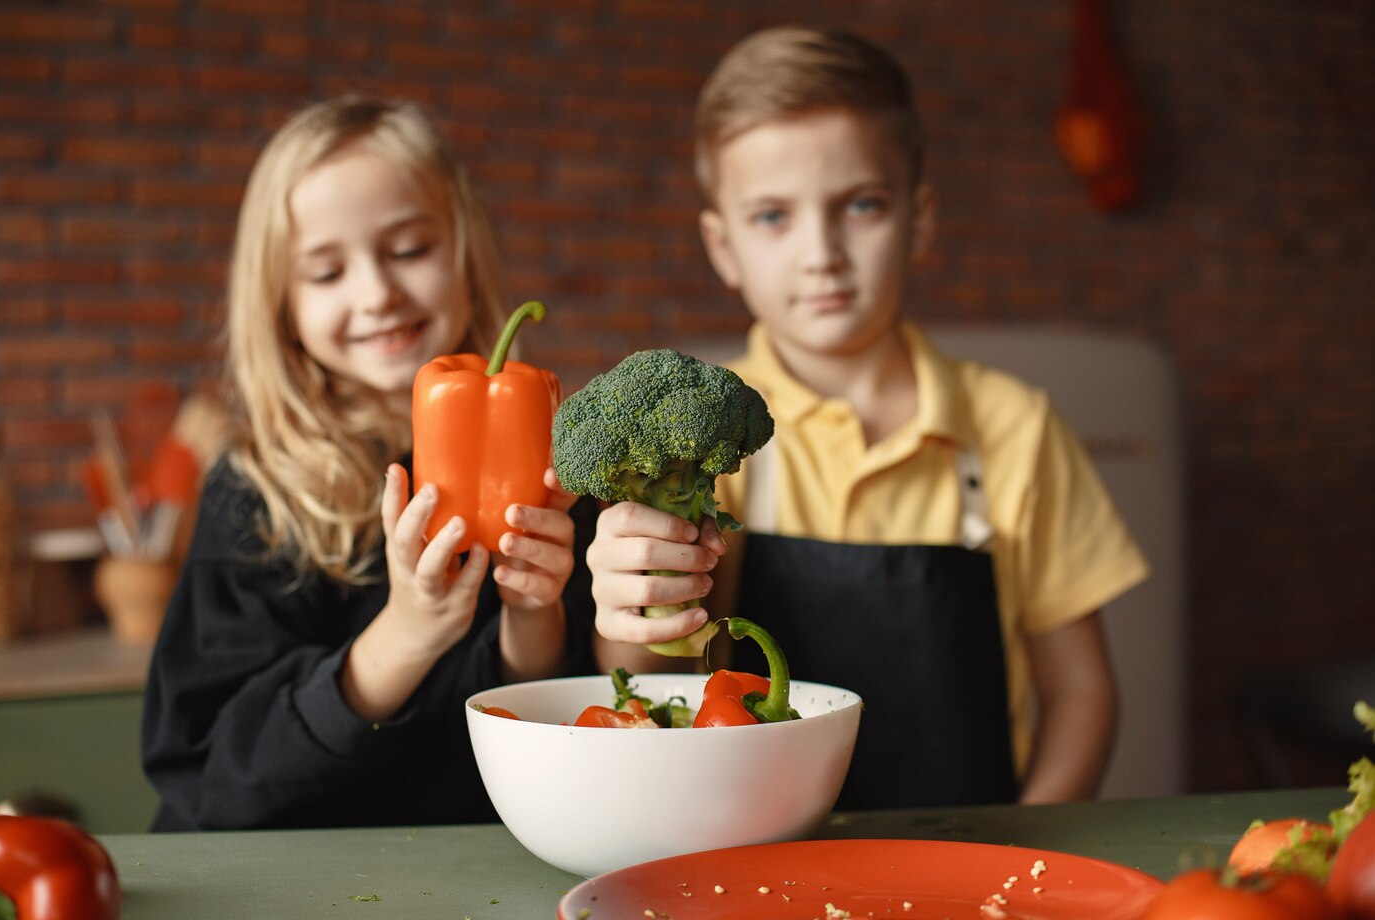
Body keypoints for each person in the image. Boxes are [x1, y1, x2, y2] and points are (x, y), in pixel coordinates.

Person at [587, 26, 1150, 809]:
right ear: (722, 246)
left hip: (973, 865)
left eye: (860, 205)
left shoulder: (1014, 427)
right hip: (755, 863)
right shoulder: (700, 443)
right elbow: (654, 685)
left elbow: (1083, 696)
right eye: (774, 217)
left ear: (919, 220)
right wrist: (630, 603)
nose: (822, 252)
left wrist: (1027, 859)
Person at [141, 96, 594, 831]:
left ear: (466, 255)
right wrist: (409, 630)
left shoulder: (554, 456)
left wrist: (532, 611)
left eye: (409, 250)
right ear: (280, 302)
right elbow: (214, 768)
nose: (377, 294)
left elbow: (560, 727)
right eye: (325, 272)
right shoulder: (253, 487)